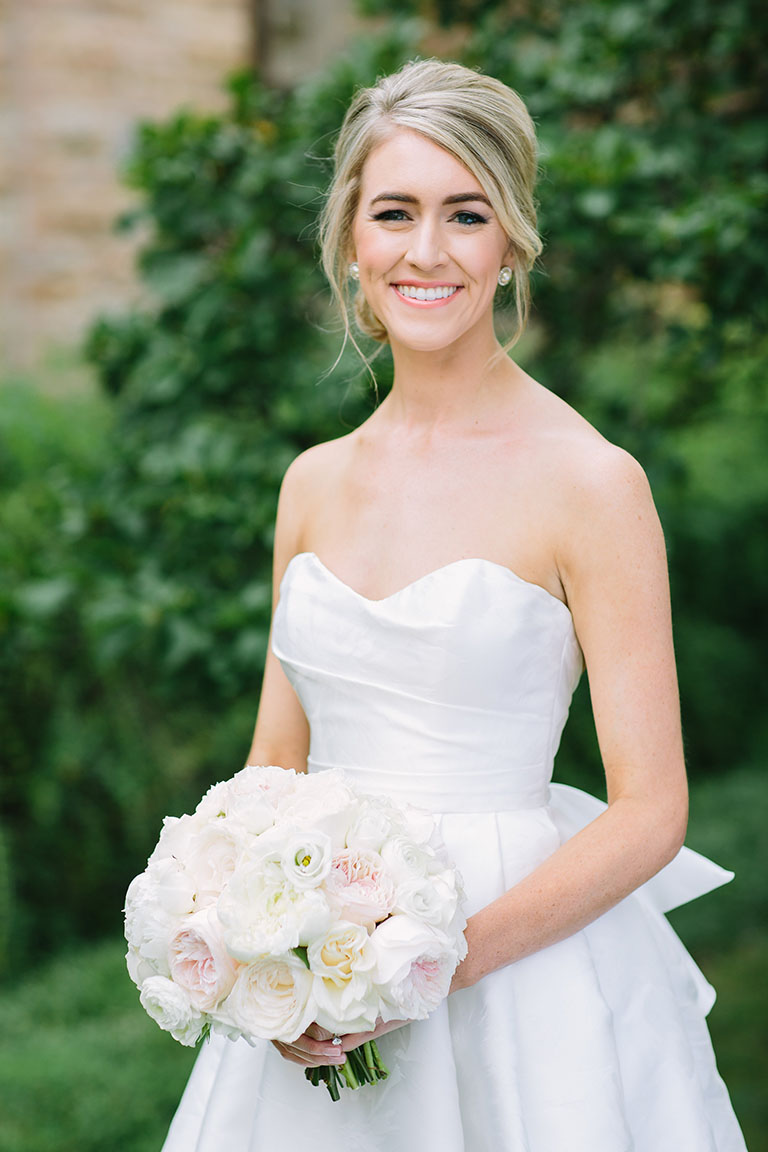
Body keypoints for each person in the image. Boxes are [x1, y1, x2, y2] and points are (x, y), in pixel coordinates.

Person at [162, 59, 747, 1150]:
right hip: (320, 1000)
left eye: (465, 213)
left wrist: (421, 967)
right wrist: (263, 948)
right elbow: (270, 771)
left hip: (524, 988)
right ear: (350, 241)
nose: (426, 251)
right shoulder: (313, 482)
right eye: (395, 212)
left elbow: (651, 811)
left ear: (511, 243)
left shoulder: (593, 483)